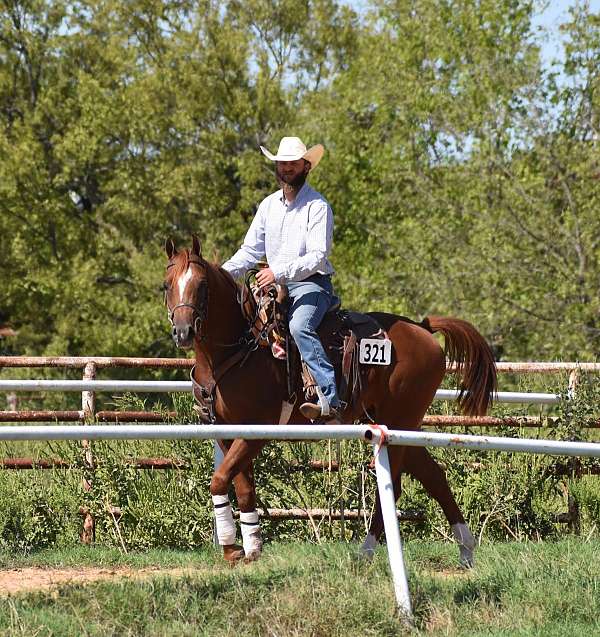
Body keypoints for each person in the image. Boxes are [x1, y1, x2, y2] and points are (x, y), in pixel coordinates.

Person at [222, 136, 341, 423]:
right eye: (282, 163)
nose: (287, 167)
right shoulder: (267, 206)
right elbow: (250, 251)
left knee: (300, 326)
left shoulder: (317, 206)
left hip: (312, 285)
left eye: (292, 163)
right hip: (273, 287)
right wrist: (222, 275)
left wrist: (278, 272)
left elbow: (317, 256)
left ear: (306, 166)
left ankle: (331, 398)